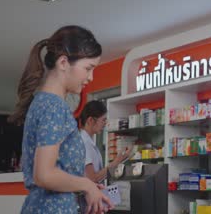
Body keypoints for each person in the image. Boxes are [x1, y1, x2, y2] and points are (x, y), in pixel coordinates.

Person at [8, 25, 113, 214]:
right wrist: (87, 185)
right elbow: (44, 175)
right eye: (88, 68)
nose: (91, 77)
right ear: (63, 63)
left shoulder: (43, 102)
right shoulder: (54, 107)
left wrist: (83, 187)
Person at [78, 100, 131, 183]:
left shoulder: (88, 141)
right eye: (103, 120)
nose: (105, 123)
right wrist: (115, 163)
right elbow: (92, 179)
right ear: (90, 120)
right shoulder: (84, 143)